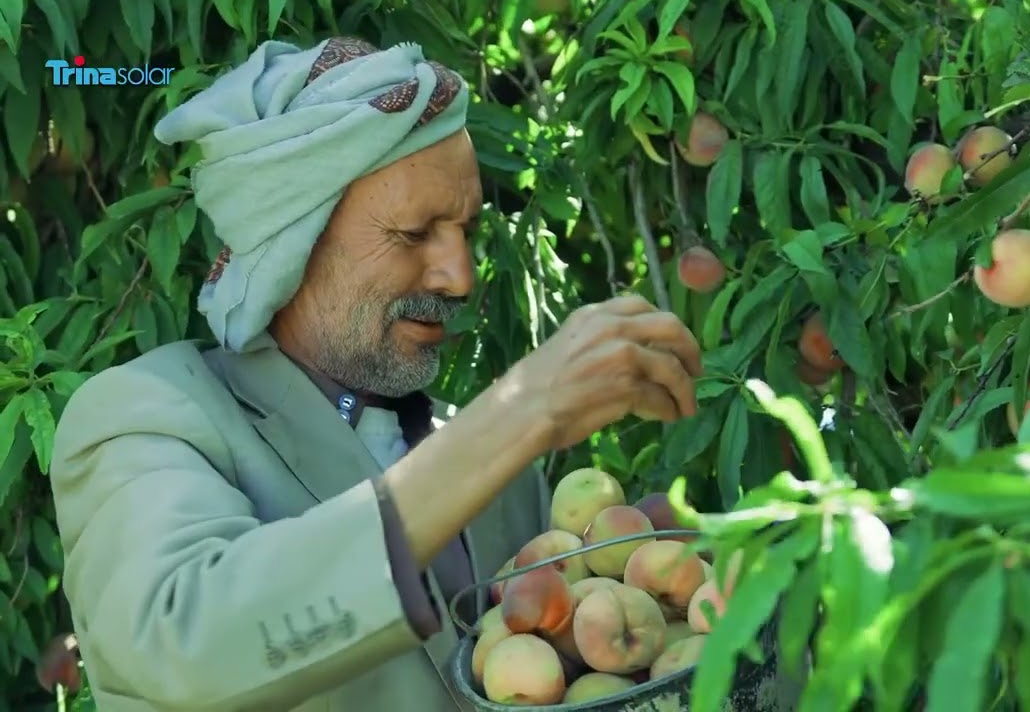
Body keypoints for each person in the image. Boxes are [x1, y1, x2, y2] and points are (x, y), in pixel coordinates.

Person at [48, 37, 702, 711]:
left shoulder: (503, 479)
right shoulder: (148, 413)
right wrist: (520, 409)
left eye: (467, 232)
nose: (461, 277)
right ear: (293, 243)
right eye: (415, 234)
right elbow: (181, 641)